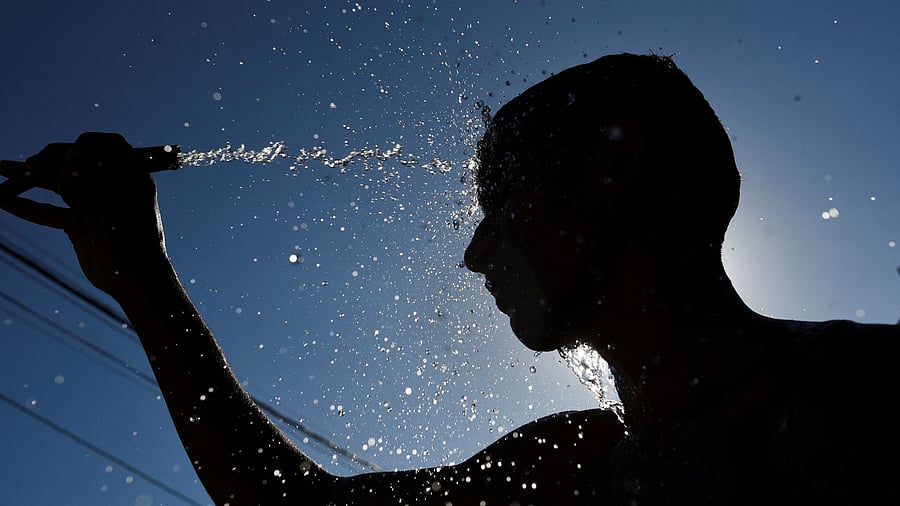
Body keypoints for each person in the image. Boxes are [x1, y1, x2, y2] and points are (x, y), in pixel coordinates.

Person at [1, 53, 897, 505]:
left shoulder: (860, 397)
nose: (476, 254)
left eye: (505, 205)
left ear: (613, 178)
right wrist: (143, 278)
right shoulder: (576, 464)